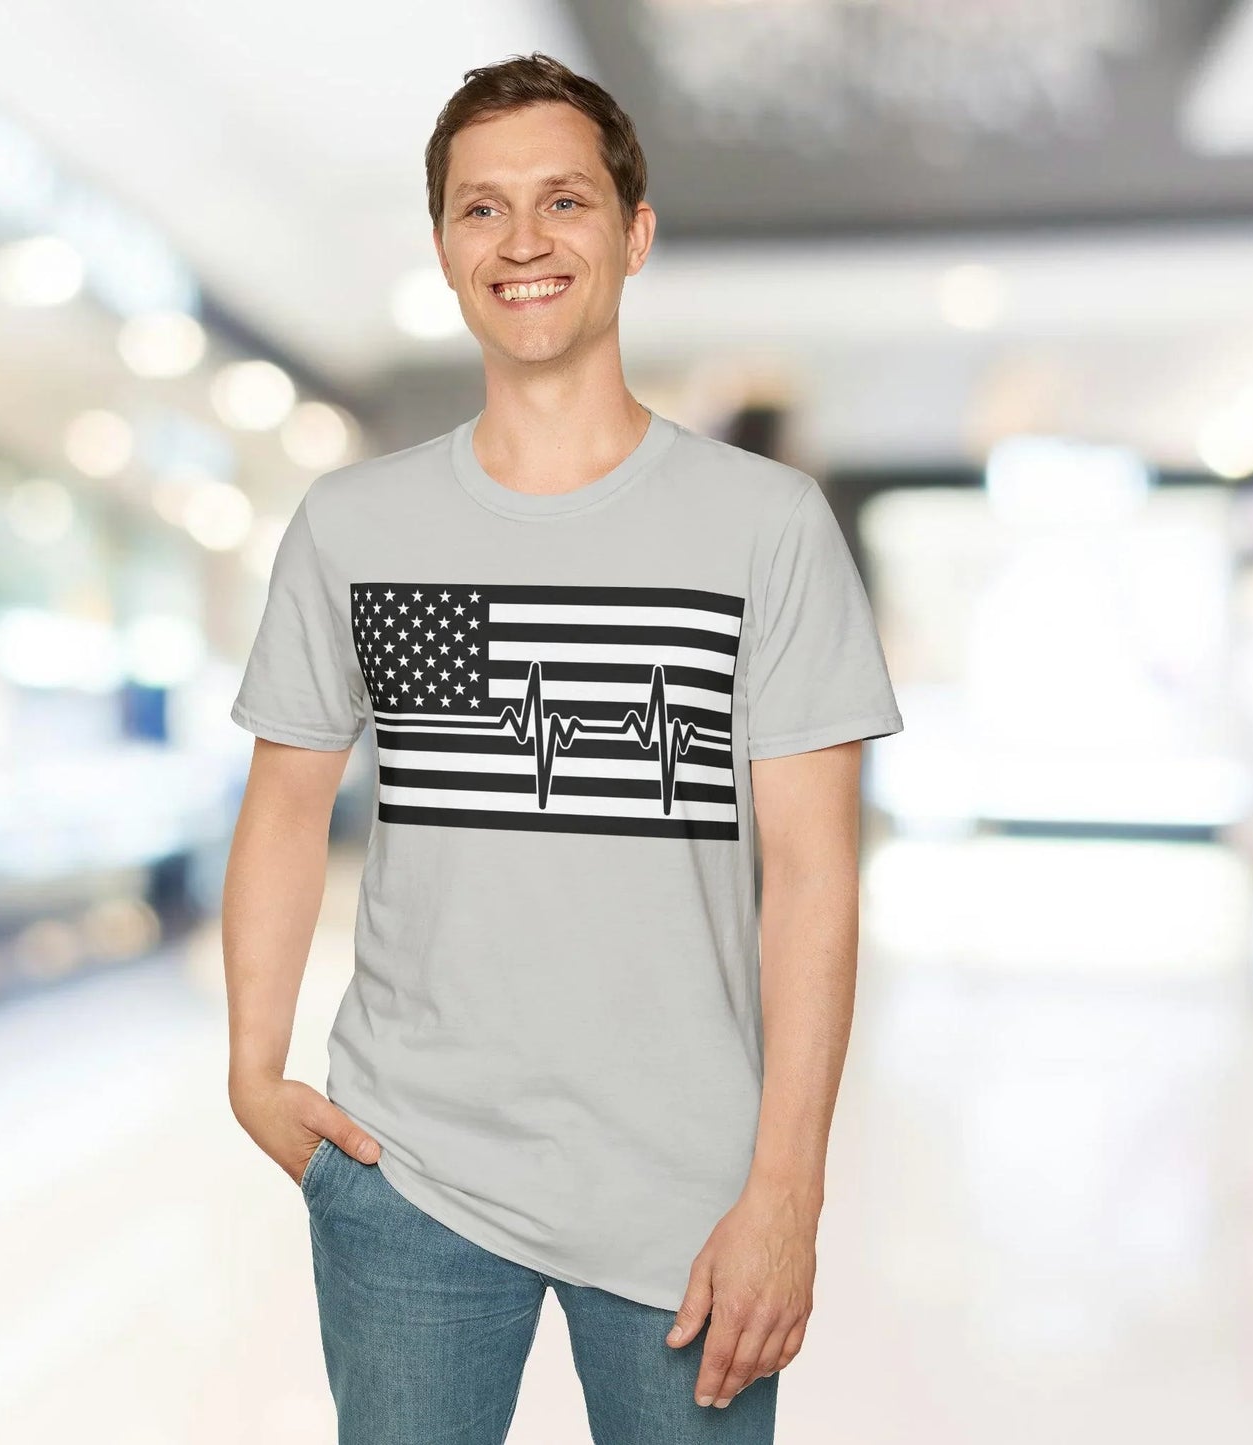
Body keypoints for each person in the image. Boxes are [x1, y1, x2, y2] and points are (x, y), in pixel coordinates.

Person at [223, 50, 903, 1443]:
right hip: (405, 1171)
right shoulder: (359, 527)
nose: (521, 241)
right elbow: (288, 803)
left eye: (563, 202)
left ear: (632, 233)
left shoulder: (761, 526)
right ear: (442, 247)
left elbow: (814, 876)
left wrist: (787, 1190)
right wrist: (252, 1060)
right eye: (480, 209)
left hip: (692, 1189)